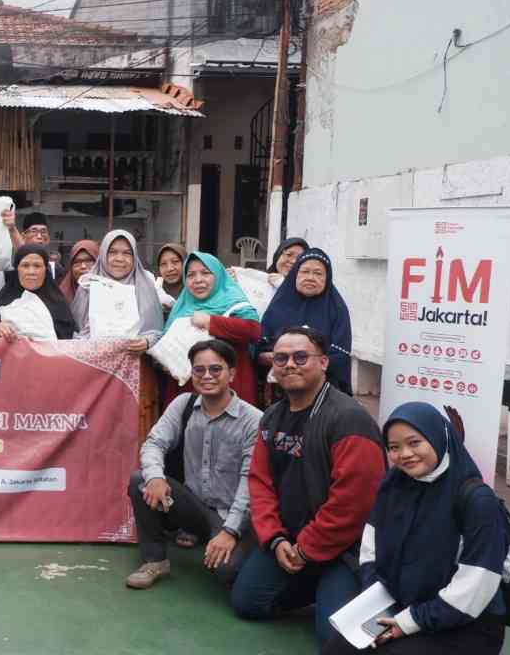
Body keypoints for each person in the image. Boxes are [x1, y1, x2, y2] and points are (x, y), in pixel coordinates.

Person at [231, 326, 386, 646]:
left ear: (324, 362)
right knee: (247, 602)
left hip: (347, 549)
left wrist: (307, 549)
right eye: (281, 357)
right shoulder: (272, 417)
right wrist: (274, 539)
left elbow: (354, 503)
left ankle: (342, 589)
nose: (290, 364)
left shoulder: (349, 420)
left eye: (301, 357)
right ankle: (318, 587)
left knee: (335, 640)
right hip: (291, 538)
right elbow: (260, 483)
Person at [321, 402, 510, 655]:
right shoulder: (393, 485)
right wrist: (376, 600)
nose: (405, 454)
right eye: (394, 447)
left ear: (437, 436)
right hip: (402, 605)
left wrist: (410, 622)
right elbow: (370, 551)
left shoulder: (477, 501)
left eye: (414, 443)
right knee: (338, 649)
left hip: (466, 623)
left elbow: (474, 589)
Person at [126, 339, 262, 590]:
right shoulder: (183, 404)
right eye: (199, 370)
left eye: (215, 369)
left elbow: (250, 484)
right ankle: (155, 560)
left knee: (227, 574)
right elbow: (154, 443)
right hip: (194, 506)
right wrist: (156, 477)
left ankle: (226, 542)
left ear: (232, 373)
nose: (206, 376)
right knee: (140, 481)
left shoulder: (253, 421)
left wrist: (230, 532)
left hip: (234, 516)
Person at [163, 252, 263, 406]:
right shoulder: (181, 307)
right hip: (188, 395)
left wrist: (211, 322)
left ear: (218, 276)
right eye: (190, 275)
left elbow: (253, 331)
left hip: (231, 393)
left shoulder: (234, 302)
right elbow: (164, 345)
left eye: (205, 273)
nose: (198, 280)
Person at [260, 248, 353, 393]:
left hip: (323, 390)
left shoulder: (336, 309)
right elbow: (260, 347)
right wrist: (269, 357)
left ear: (327, 278)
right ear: (294, 275)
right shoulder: (279, 305)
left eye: (318, 273)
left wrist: (306, 364)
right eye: (304, 272)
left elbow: (341, 355)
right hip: (279, 389)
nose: (310, 277)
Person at [70, 230, 164, 350]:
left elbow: (157, 332)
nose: (119, 259)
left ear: (134, 256)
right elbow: (76, 330)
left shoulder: (145, 287)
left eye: (127, 253)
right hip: (93, 362)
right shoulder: (87, 286)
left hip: (136, 362)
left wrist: (147, 341)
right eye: (112, 252)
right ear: (103, 254)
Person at [0, 245, 76, 342]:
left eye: (37, 266)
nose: (31, 272)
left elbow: (66, 344)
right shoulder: (3, 302)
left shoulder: (59, 306)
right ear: (17, 269)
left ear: (45, 269)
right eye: (25, 266)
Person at [21, 212, 61, 281]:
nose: (39, 236)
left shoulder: (56, 269)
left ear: (48, 239)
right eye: (34, 231)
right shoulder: (12, 268)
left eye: (43, 232)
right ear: (23, 237)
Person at [58, 239, 99, 304]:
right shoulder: (61, 297)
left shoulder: (111, 292)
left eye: (88, 261)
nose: (83, 266)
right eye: (77, 262)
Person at [154, 243, 187, 311]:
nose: (169, 269)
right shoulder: (154, 291)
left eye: (175, 262)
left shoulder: (195, 291)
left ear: (185, 263)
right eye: (163, 264)